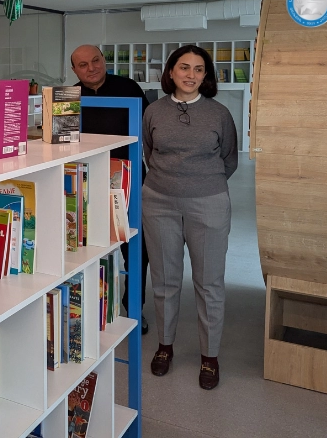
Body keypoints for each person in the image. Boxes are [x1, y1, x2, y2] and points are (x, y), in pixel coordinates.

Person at [142, 45, 237, 390]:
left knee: (209, 282)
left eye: (198, 69)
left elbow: (229, 158)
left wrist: (199, 183)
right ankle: (165, 346)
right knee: (165, 280)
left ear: (206, 76)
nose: (191, 75)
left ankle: (209, 356)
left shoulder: (219, 114)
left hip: (208, 203)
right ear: (171, 72)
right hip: (159, 201)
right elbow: (149, 152)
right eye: (184, 67)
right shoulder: (153, 111)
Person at [71, 44, 151, 335]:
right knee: (86, 247)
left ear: (104, 60)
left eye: (96, 61)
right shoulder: (69, 96)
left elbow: (149, 128)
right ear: (74, 70)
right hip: (84, 181)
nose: (91, 68)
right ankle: (92, 306)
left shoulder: (128, 88)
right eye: (83, 65)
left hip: (128, 179)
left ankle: (134, 307)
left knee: (136, 246)